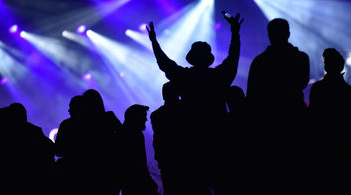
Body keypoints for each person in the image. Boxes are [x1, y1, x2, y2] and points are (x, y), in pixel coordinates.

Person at [147, 11, 243, 193]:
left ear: (192, 56)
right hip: (219, 137)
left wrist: (154, 42)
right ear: (208, 58)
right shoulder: (219, 77)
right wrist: (235, 33)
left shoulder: (185, 77)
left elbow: (165, 64)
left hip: (191, 142)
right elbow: (233, 58)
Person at [246, 18, 310, 195]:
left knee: (270, 177)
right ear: (288, 33)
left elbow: (252, 96)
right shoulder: (301, 58)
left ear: (269, 35)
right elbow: (302, 82)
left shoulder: (259, 62)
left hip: (267, 126)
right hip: (294, 121)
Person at [308, 48, 351, 194]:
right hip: (342, 148)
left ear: (326, 65)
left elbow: (312, 119)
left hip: (320, 146)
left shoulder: (318, 89)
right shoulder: (347, 91)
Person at [151, 81, 183, 195]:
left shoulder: (156, 115)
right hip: (187, 160)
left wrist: (160, 158)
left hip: (167, 161)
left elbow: (158, 140)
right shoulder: (186, 110)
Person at [119, 104, 159, 195]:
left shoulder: (123, 133)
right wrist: (149, 182)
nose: (146, 119)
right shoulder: (137, 135)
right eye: (143, 116)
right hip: (137, 183)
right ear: (136, 118)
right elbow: (140, 164)